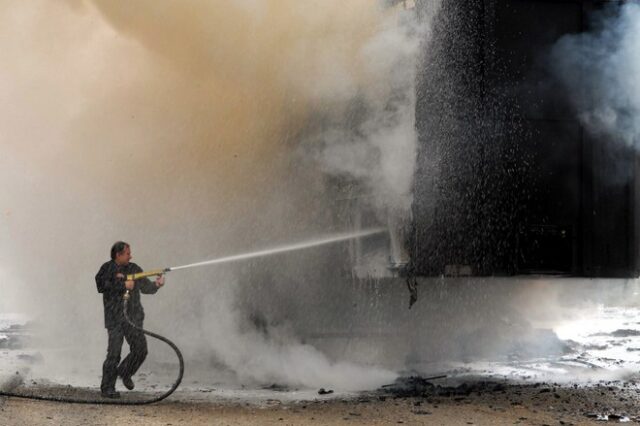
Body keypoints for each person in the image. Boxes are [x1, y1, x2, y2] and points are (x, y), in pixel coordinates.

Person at [95, 241, 165, 399]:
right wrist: (122, 285)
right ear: (118, 255)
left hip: (133, 318)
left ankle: (125, 372)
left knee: (140, 349)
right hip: (115, 319)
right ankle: (107, 388)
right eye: (127, 253)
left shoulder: (134, 269)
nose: (130, 256)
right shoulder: (107, 268)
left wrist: (157, 285)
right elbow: (101, 285)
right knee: (114, 353)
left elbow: (146, 288)